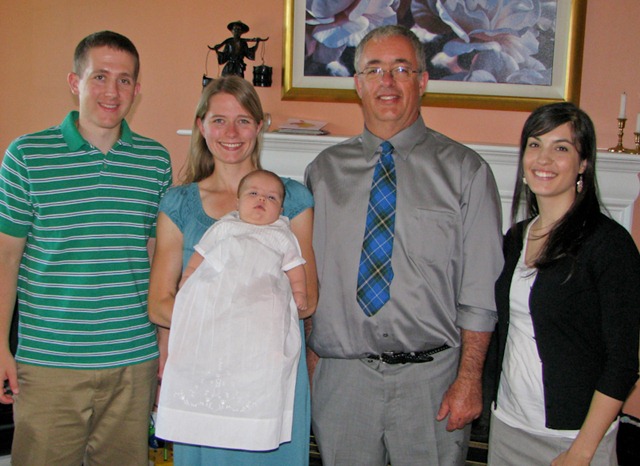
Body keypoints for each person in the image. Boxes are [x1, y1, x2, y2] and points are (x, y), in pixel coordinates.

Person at [305, 25, 503, 466]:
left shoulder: (466, 172)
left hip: (431, 383)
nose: (387, 81)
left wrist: (470, 378)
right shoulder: (323, 171)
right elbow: (309, 276)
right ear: (358, 84)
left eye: (401, 69)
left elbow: (480, 291)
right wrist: (312, 361)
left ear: (422, 80)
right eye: (374, 70)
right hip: (344, 381)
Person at [0, 30, 172, 465]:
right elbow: (5, 259)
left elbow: (158, 261)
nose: (112, 91)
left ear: (136, 88)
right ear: (75, 82)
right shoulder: (26, 155)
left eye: (124, 80)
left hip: (133, 361)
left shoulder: (155, 162)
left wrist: (163, 344)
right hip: (48, 363)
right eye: (100, 77)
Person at [148, 76, 317, 466]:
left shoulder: (292, 199)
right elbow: (158, 304)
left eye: (243, 120)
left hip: (270, 378)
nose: (231, 133)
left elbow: (307, 301)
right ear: (201, 126)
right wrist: (231, 324)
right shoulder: (179, 203)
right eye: (219, 120)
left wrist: (223, 316)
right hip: (204, 377)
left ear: (259, 126)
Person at [488, 102, 640, 466]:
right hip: (508, 426)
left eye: (561, 147)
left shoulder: (608, 244)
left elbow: (623, 361)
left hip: (574, 438)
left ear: (583, 163)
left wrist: (582, 451)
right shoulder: (515, 238)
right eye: (535, 144)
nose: (544, 159)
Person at [155, 169, 307, 451]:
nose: (261, 200)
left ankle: (256, 412)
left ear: (281, 209)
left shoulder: (281, 234)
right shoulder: (225, 227)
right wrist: (187, 283)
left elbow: (295, 268)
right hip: (219, 303)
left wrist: (299, 293)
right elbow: (199, 258)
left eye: (271, 198)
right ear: (237, 202)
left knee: (264, 358)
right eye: (253, 194)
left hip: (260, 309)